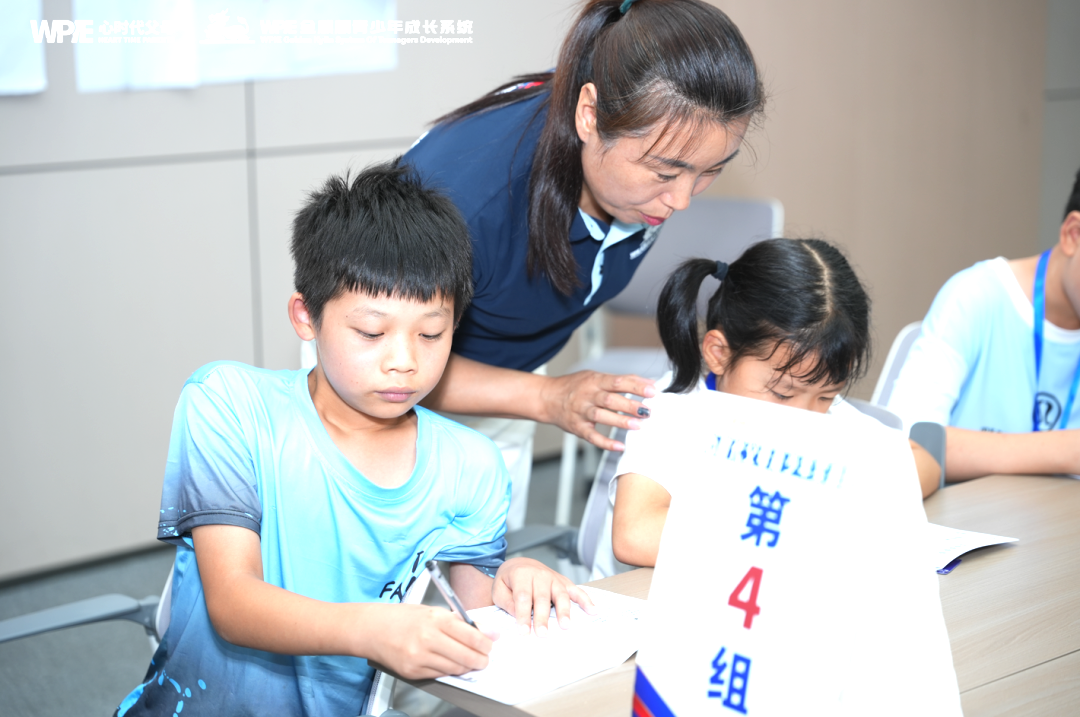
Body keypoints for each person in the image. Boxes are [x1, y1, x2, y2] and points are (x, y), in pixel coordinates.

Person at [115, 161, 592, 717]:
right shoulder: (230, 405)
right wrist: (372, 630)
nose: (404, 363)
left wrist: (514, 578)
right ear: (306, 317)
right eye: (371, 332)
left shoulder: (472, 464)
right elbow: (233, 601)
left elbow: (473, 621)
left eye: (431, 334)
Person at [405, 0, 766, 528]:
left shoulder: (627, 132)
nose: (682, 200)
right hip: (378, 385)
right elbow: (389, 365)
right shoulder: (463, 204)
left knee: (484, 576)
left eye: (709, 171)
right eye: (665, 171)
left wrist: (535, 394)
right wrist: (547, 398)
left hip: (501, 378)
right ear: (589, 116)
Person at [609, 239, 942, 567]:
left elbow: (922, 463)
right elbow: (635, 535)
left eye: (826, 395)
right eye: (782, 393)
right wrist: (792, 532)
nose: (804, 416)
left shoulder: (822, 411)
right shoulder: (672, 410)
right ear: (719, 354)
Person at [885, 168, 1080, 480]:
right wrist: (1065, 451)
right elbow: (904, 444)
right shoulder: (975, 297)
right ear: (1073, 234)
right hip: (961, 521)